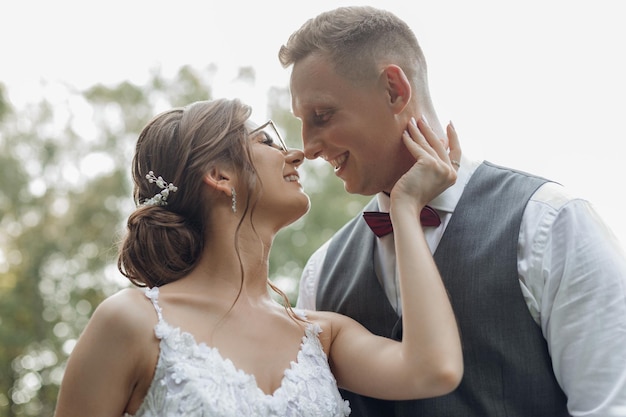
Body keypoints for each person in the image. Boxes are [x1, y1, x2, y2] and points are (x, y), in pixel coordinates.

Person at [279, 5, 626, 417]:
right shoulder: (322, 271)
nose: (309, 146)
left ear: (394, 90)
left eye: (322, 115)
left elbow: (609, 405)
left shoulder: (550, 223)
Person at [53, 98, 463, 417]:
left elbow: (434, 368)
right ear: (219, 176)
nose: (297, 154)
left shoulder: (323, 336)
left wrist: (404, 209)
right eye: (266, 141)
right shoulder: (131, 322)